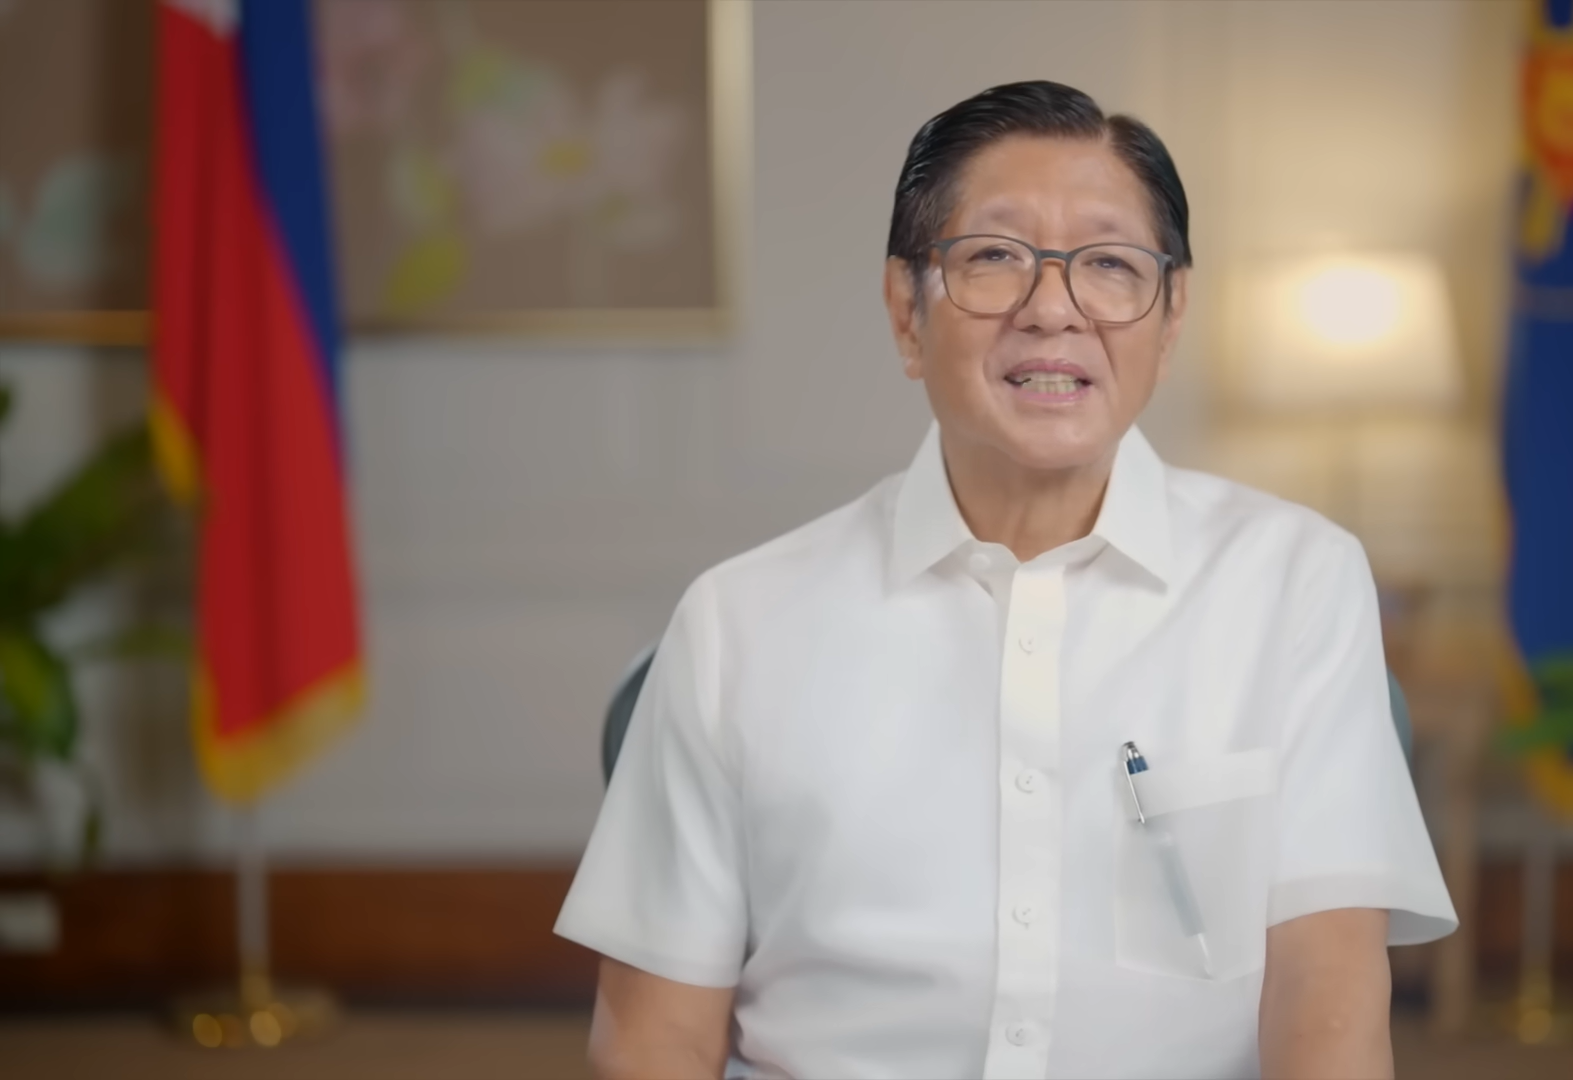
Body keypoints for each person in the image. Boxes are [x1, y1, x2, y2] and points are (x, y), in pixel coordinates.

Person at [556, 80, 1455, 1080]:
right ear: (906, 311)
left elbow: (1327, 1004)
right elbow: (656, 1039)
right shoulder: (740, 621)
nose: (1053, 310)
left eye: (1110, 265)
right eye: (994, 258)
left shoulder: (1294, 584)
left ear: (1170, 318)